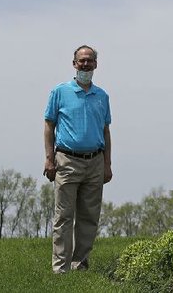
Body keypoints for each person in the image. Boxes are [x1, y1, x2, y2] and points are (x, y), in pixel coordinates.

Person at [43, 45, 113, 273]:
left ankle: (80, 264)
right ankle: (60, 268)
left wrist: (107, 164)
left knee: (89, 217)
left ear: (96, 65)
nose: (85, 64)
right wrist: (49, 159)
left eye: (89, 61)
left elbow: (105, 131)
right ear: (74, 64)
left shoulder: (102, 96)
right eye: (81, 60)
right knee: (63, 216)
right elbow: (49, 125)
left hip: (95, 161)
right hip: (66, 160)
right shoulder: (60, 92)